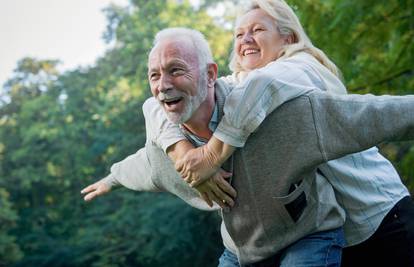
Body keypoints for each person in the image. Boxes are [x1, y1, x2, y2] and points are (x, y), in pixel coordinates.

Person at [81, 28, 414, 267]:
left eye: (176, 70)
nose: (163, 85)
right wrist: (112, 178)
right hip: (243, 251)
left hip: (309, 235)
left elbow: (371, 115)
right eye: (154, 75)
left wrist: (211, 156)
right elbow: (142, 166)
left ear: (211, 74)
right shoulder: (167, 147)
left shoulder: (283, 114)